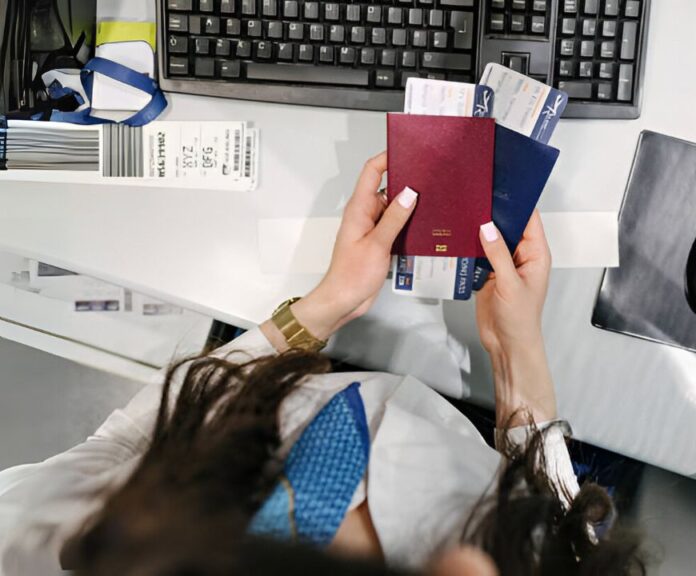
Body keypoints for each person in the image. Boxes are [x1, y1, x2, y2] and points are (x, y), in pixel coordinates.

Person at [0, 153, 645, 576]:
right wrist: (517, 360)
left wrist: (324, 306)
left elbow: (123, 442)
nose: (480, 568)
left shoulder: (46, 544)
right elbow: (568, 547)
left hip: (265, 391)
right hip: (511, 455)